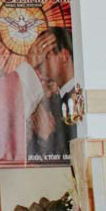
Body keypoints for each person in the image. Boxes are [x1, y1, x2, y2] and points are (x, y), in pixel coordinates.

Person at [26, 26, 76, 162]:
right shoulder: (51, 99)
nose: (38, 63)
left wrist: (46, 138)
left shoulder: (80, 97)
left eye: (45, 56)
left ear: (64, 56)